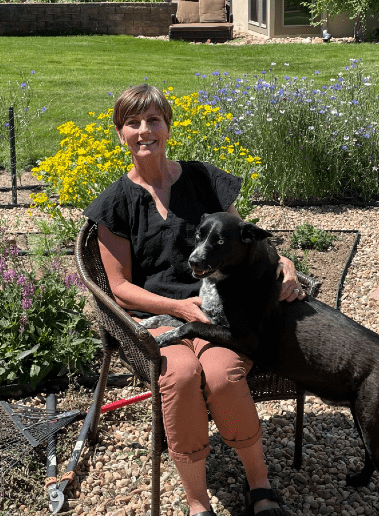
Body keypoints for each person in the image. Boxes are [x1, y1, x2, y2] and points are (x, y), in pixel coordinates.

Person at [82, 84, 305, 516]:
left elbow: (244, 241)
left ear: (168, 126)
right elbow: (121, 288)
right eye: (133, 123)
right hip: (156, 316)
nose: (144, 130)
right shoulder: (114, 204)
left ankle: (259, 486)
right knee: (180, 376)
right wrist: (178, 308)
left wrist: (286, 264)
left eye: (153, 120)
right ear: (119, 133)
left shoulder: (202, 179)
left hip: (218, 310)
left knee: (222, 375)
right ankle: (197, 501)